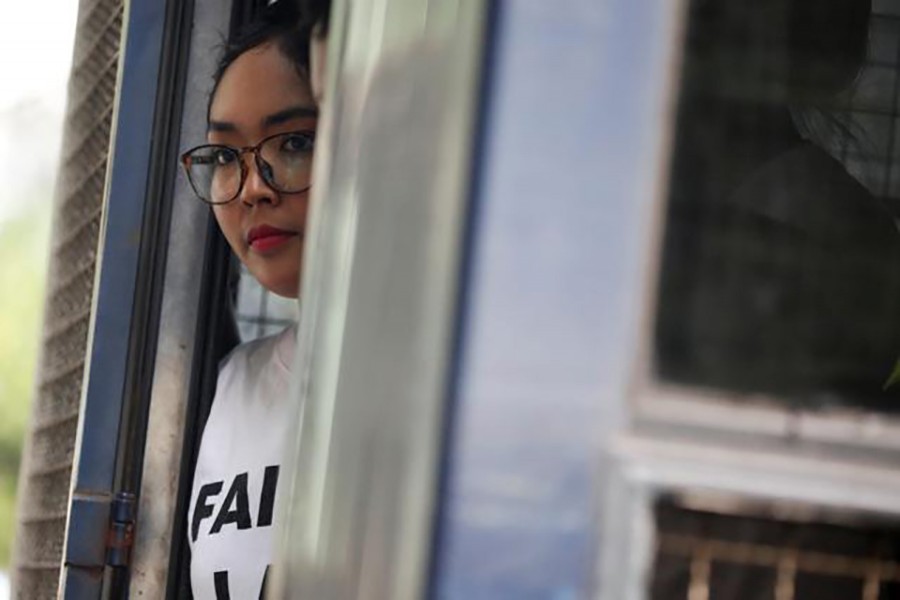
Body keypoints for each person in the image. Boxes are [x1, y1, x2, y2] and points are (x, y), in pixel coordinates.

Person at [179, 0, 330, 596]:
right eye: (224, 157)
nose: (253, 189)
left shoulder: (465, 385)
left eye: (293, 143)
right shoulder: (225, 391)